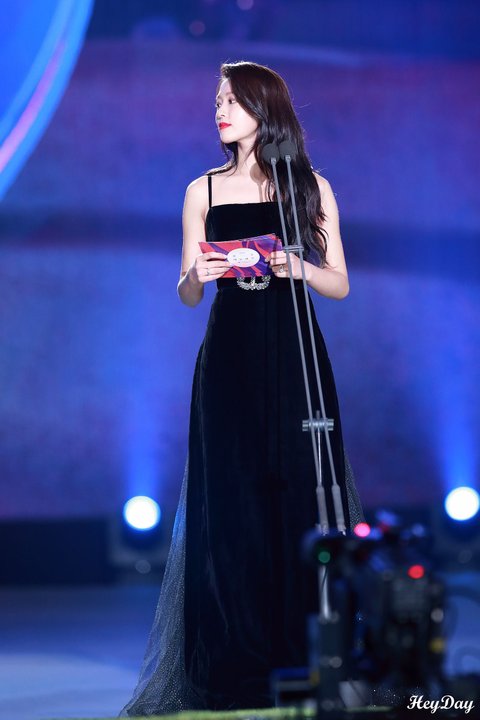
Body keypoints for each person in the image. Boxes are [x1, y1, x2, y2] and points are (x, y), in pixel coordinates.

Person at [121, 60, 363, 717]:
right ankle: (234, 660)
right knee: (230, 506)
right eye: (217, 101)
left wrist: (298, 267)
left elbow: (340, 282)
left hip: (295, 360)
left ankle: (307, 654)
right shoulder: (201, 189)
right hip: (228, 363)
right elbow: (186, 293)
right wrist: (194, 275)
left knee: (300, 499)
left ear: (264, 107)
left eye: (231, 100)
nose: (220, 111)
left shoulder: (309, 186)